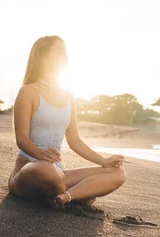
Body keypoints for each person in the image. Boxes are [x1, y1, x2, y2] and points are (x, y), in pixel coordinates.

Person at [8, 36, 126, 210]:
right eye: (59, 52)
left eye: (66, 53)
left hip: (57, 173)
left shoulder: (69, 96)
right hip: (30, 170)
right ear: (43, 55)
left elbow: (75, 141)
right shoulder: (28, 91)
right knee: (46, 170)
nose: (66, 57)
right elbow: (22, 139)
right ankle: (79, 194)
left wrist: (104, 160)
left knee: (118, 173)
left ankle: (64, 196)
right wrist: (41, 155)